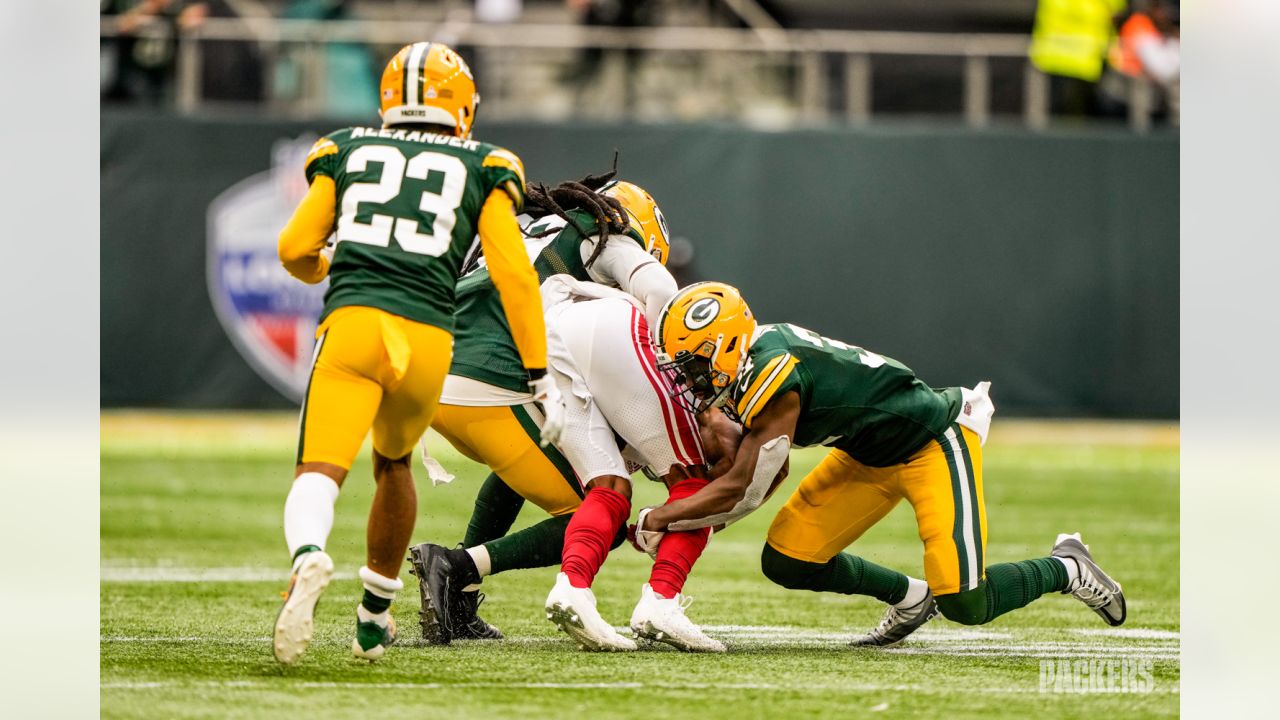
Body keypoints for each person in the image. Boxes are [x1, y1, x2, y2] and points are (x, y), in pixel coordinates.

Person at [271, 41, 564, 665]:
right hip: (430, 337)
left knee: (319, 472)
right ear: (463, 105)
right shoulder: (486, 163)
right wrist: (538, 374)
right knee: (395, 466)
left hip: (354, 324)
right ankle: (374, 617)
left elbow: (294, 247)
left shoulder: (346, 148)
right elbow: (514, 276)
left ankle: (308, 557)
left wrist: (330, 262)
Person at [633, 282, 1126, 646]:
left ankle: (1067, 566)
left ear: (727, 347)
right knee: (787, 558)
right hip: (866, 453)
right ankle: (912, 597)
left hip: (932, 440)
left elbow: (744, 486)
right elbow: (771, 469)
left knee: (967, 601)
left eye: (695, 364)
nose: (691, 379)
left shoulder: (772, 374)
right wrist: (696, 512)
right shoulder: (748, 366)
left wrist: (661, 517)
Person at [409, 176, 729, 651]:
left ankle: (459, 596)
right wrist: (662, 361)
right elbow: (658, 287)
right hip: (493, 379)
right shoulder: (603, 236)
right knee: (601, 511)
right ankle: (455, 568)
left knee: (544, 454)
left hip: (434, 376)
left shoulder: (523, 226)